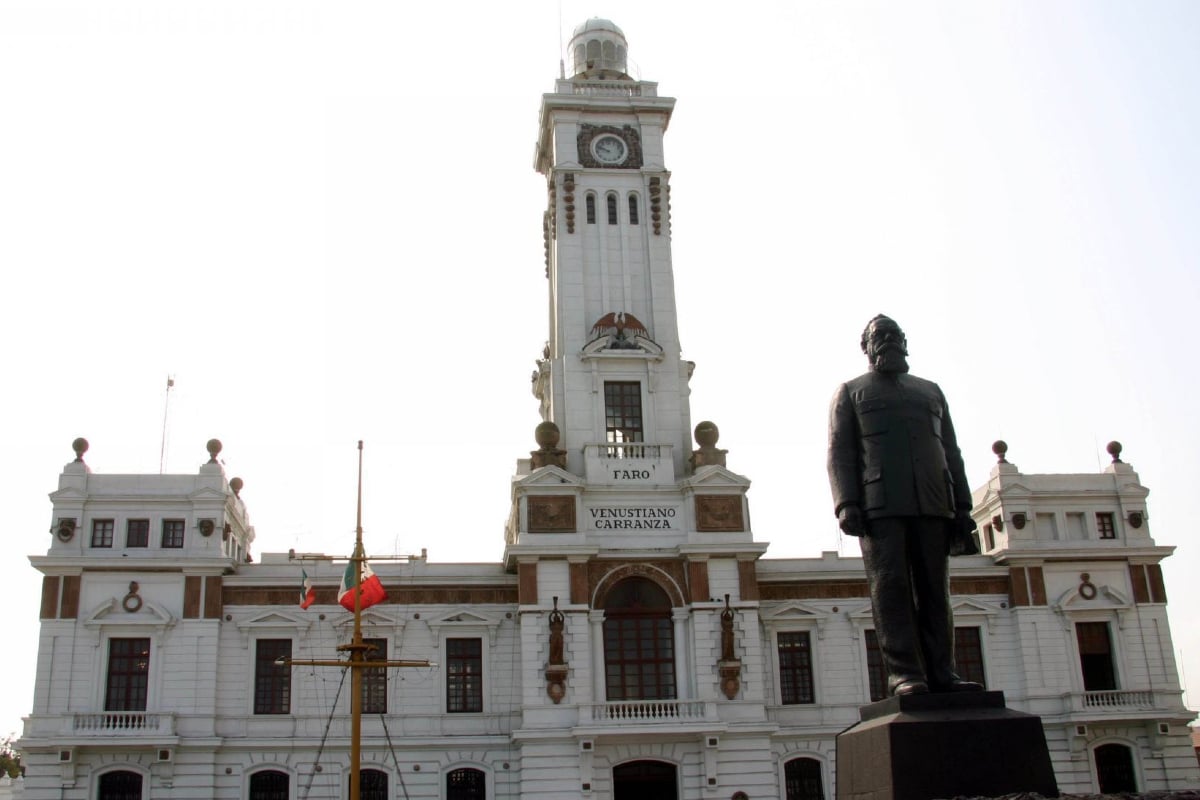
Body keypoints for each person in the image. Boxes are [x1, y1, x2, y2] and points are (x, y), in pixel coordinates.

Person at [827, 314, 981, 697]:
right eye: (881, 336)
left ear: (906, 342)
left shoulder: (930, 392)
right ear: (867, 347)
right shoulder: (851, 391)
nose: (890, 341)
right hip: (880, 506)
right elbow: (840, 452)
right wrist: (846, 503)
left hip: (933, 502)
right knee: (890, 589)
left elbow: (951, 452)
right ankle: (904, 673)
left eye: (895, 335)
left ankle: (943, 673)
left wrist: (963, 507)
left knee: (935, 590)